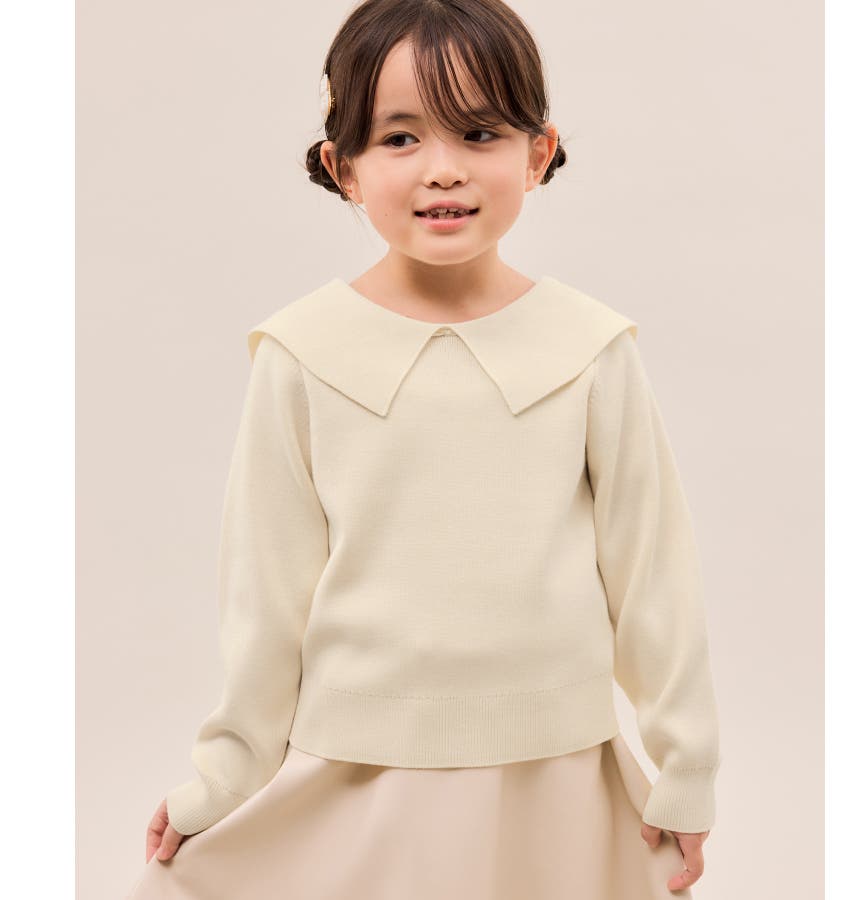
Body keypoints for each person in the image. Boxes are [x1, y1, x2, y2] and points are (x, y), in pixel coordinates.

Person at [126, 1, 721, 897]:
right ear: (344, 168)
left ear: (539, 153)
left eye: (479, 132)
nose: (443, 168)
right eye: (399, 137)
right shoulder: (301, 354)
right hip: (356, 774)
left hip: (557, 775)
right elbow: (264, 597)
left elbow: (654, 577)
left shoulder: (591, 349)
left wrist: (687, 767)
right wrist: (227, 776)